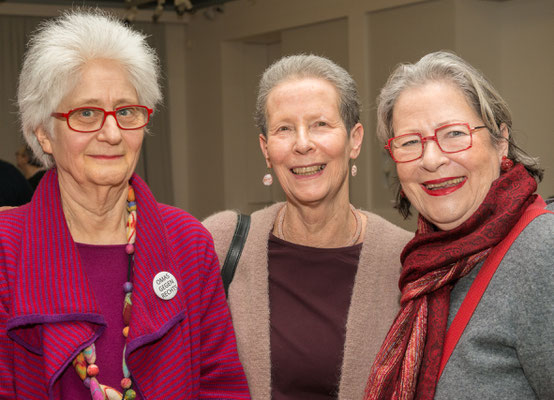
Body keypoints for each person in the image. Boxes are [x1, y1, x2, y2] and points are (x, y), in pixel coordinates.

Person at [0, 10, 249, 399]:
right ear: (43, 134)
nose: (113, 133)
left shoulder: (187, 242)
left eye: (127, 111)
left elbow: (222, 388)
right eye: (86, 113)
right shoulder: (6, 251)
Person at [203, 54, 413, 400]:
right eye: (284, 129)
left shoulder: (406, 260)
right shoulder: (220, 244)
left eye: (320, 124)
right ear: (266, 149)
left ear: (354, 139)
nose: (302, 143)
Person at [365, 51, 553, 399]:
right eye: (410, 142)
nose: (433, 159)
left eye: (453, 134)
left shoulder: (543, 254)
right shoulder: (424, 268)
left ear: (501, 141)